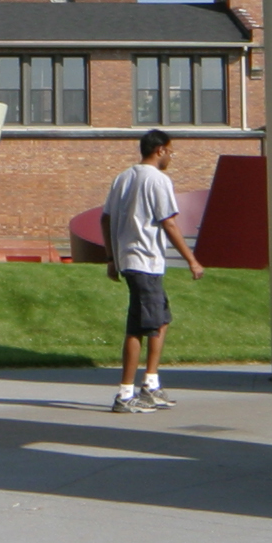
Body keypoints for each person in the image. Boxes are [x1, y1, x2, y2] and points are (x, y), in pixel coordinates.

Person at [103, 129, 202, 412]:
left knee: (161, 319)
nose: (171, 156)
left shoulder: (122, 178)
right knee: (138, 328)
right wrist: (192, 260)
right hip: (143, 261)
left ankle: (150, 383)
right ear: (159, 150)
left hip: (136, 262)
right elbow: (169, 223)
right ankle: (124, 395)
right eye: (170, 151)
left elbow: (105, 219)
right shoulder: (158, 180)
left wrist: (112, 259)